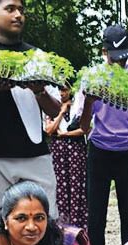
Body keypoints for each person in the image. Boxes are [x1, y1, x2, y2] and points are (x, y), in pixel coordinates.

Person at [0, 0, 62, 219]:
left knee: (47, 217)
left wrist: (39, 91)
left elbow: (56, 111)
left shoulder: (37, 56)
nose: (18, 15)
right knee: (2, 220)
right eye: (10, 9)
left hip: (36, 154)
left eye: (21, 10)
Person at [76, 24, 128, 245]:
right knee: (96, 219)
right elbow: (84, 125)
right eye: (114, 57)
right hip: (100, 152)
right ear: (104, 52)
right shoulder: (92, 77)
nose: (119, 62)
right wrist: (90, 101)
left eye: (124, 57)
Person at [44, 86, 87, 228]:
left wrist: (65, 134)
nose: (62, 93)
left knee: (77, 184)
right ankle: (61, 223)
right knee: (59, 184)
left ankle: (77, 222)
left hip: (76, 150)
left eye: (65, 90)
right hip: (58, 151)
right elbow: (49, 129)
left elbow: (85, 129)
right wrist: (61, 112)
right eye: (60, 90)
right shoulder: (51, 107)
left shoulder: (78, 107)